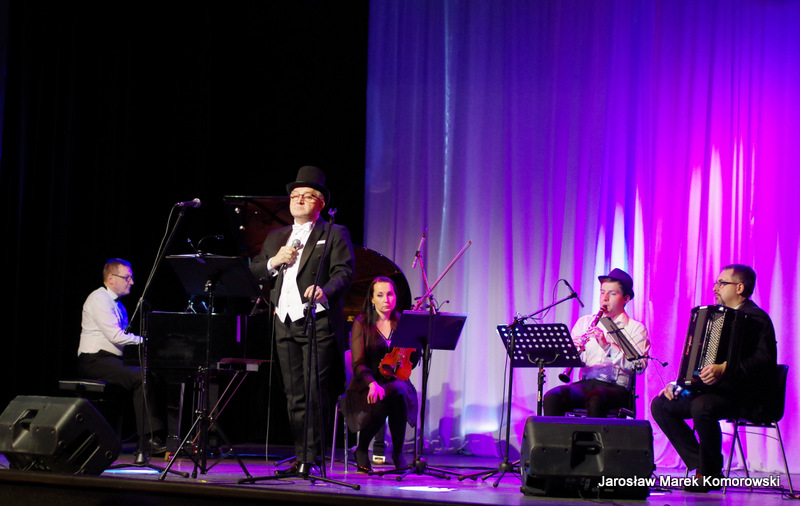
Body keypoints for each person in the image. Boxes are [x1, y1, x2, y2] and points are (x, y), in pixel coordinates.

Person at [249, 166, 354, 474]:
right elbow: (254, 269)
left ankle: (313, 459)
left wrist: (325, 290)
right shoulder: (276, 236)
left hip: (316, 320)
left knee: (314, 392)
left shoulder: (333, 232)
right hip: (283, 320)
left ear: (320, 203)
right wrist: (274, 261)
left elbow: (344, 272)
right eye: (295, 195)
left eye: (307, 195)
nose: (299, 200)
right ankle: (301, 457)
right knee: (294, 395)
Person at [651, 264, 777, 493]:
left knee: (702, 406)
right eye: (716, 283)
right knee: (661, 404)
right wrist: (679, 385)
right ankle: (706, 466)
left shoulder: (756, 318)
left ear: (739, 287)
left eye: (722, 283)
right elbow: (700, 363)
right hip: (714, 393)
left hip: (746, 396)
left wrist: (725, 369)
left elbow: (765, 361)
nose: (715, 287)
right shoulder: (718, 318)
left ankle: (707, 473)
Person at [77, 258, 166, 455]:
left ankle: (161, 435)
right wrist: (148, 341)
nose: (132, 282)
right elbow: (116, 337)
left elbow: (123, 342)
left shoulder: (120, 306)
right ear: (111, 278)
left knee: (153, 375)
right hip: (94, 360)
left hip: (111, 360)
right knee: (141, 376)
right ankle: (147, 440)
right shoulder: (98, 298)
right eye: (127, 278)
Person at [543, 268, 650, 417]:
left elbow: (639, 367)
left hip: (617, 388)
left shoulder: (635, 328)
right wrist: (572, 353)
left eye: (612, 293)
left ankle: (589, 433)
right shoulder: (585, 322)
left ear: (626, 298)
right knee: (552, 397)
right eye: (602, 292)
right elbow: (573, 358)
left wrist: (607, 347)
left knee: (596, 399)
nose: (605, 298)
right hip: (586, 383)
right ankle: (557, 434)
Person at [345, 277, 419, 472]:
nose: (386, 299)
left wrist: (418, 345)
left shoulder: (402, 322)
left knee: (398, 390)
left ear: (395, 297)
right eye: (380, 295)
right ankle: (368, 449)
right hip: (367, 384)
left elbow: (411, 362)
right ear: (372, 299)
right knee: (393, 393)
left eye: (390, 294)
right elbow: (358, 363)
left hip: (396, 381)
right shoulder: (362, 323)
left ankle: (392, 451)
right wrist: (371, 383)